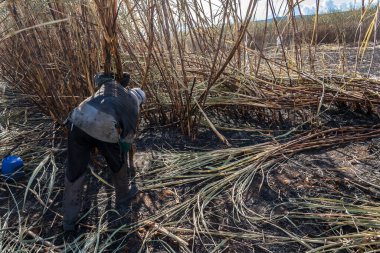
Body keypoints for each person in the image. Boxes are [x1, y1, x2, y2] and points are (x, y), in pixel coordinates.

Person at [63, 72, 145, 231]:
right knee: (117, 164)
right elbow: (127, 143)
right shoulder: (134, 110)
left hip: (77, 119)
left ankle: (68, 221)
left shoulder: (113, 86)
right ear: (140, 102)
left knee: (74, 171)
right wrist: (119, 153)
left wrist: (115, 78)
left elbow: (98, 78)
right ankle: (123, 196)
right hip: (102, 126)